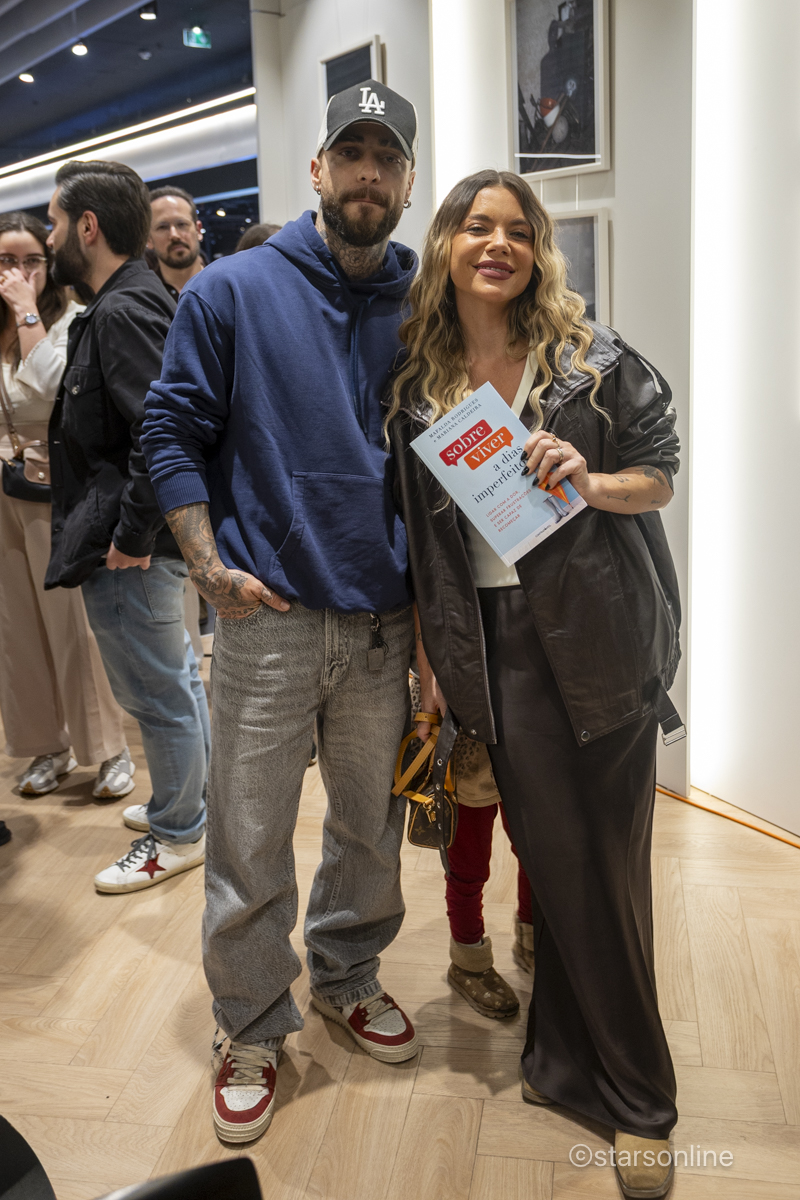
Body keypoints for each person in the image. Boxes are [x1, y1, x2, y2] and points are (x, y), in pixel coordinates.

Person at [388, 170, 681, 1200]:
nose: (497, 244)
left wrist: (589, 480)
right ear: (446, 245)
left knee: (605, 872)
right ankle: (560, 1061)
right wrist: (432, 668)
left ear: (537, 251)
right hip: (494, 645)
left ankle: (641, 1101)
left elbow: (658, 473)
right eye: (477, 227)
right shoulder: (418, 385)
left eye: (518, 230)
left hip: (600, 635)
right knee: (554, 867)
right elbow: (424, 548)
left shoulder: (591, 361)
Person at [142, 79, 421, 1143]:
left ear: (405, 180)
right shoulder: (232, 291)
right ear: (317, 168)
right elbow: (170, 430)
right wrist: (206, 566)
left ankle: (346, 975)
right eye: (350, 154)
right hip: (267, 616)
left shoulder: (424, 302)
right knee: (249, 837)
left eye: (385, 159)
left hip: (382, 622)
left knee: (369, 829)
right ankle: (252, 1021)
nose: (366, 174)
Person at [45, 159, 210, 893]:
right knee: (173, 686)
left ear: (87, 227)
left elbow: (159, 433)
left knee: (156, 694)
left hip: (131, 546)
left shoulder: (122, 310)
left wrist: (131, 537)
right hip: (138, 539)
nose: (50, 238)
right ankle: (191, 805)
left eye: (55, 223)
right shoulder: (129, 302)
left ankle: (179, 831)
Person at [0, 211, 132, 800]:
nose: (18, 271)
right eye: (6, 261)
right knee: (15, 630)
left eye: (30, 259)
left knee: (74, 625)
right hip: (3, 492)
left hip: (54, 490)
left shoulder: (72, 319)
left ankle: (106, 748)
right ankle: (44, 746)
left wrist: (26, 311)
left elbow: (53, 390)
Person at [146, 186, 204, 300]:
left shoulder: (225, 285)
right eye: (162, 227)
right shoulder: (143, 299)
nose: (174, 235)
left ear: (198, 230)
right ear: (149, 239)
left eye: (182, 224)